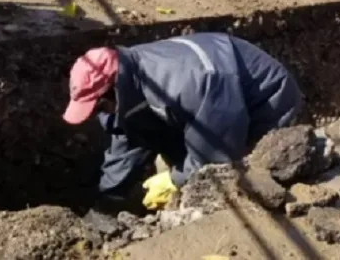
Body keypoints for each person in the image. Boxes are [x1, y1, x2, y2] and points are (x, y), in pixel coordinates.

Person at [62, 33, 304, 209]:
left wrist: (174, 180)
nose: (101, 114)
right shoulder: (133, 81)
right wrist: (110, 196)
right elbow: (129, 138)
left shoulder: (190, 85)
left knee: (233, 182)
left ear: (113, 90)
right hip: (214, 105)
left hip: (267, 103)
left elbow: (216, 153)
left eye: (99, 106)